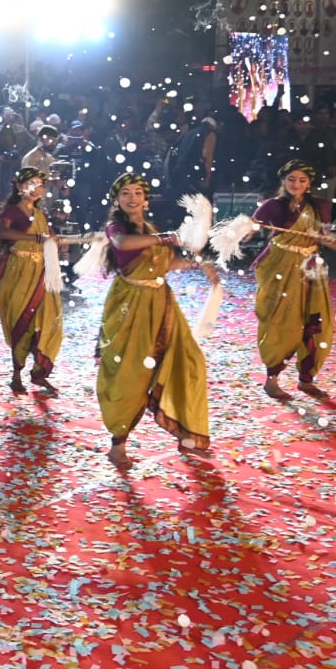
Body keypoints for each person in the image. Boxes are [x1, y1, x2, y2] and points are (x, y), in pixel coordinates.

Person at [95, 173, 216, 469]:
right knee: (131, 374)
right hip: (130, 306)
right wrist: (167, 238)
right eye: (126, 193)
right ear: (117, 200)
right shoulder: (117, 227)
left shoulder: (151, 228)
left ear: (146, 200)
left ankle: (186, 434)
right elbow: (123, 244)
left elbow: (166, 262)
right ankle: (118, 445)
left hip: (162, 303)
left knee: (188, 361)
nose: (133, 198)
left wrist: (198, 264)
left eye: (138, 193)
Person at [249, 160, 336, 401]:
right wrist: (242, 229)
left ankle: (305, 379)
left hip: (310, 268)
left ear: (309, 183)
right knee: (281, 321)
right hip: (280, 265)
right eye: (291, 179)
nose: (296, 184)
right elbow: (251, 229)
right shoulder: (273, 206)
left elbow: (326, 239)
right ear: (283, 181)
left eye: (301, 180)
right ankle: (272, 380)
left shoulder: (320, 206)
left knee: (317, 320)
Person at [0, 167, 62, 397]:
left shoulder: (41, 215)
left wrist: (52, 240)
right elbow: (4, 233)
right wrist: (34, 238)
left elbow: (47, 239)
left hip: (41, 273)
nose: (35, 189)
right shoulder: (12, 211)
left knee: (49, 321)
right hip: (19, 272)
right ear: (19, 187)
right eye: (30, 184)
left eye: (39, 185)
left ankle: (39, 372)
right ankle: (16, 374)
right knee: (22, 321)